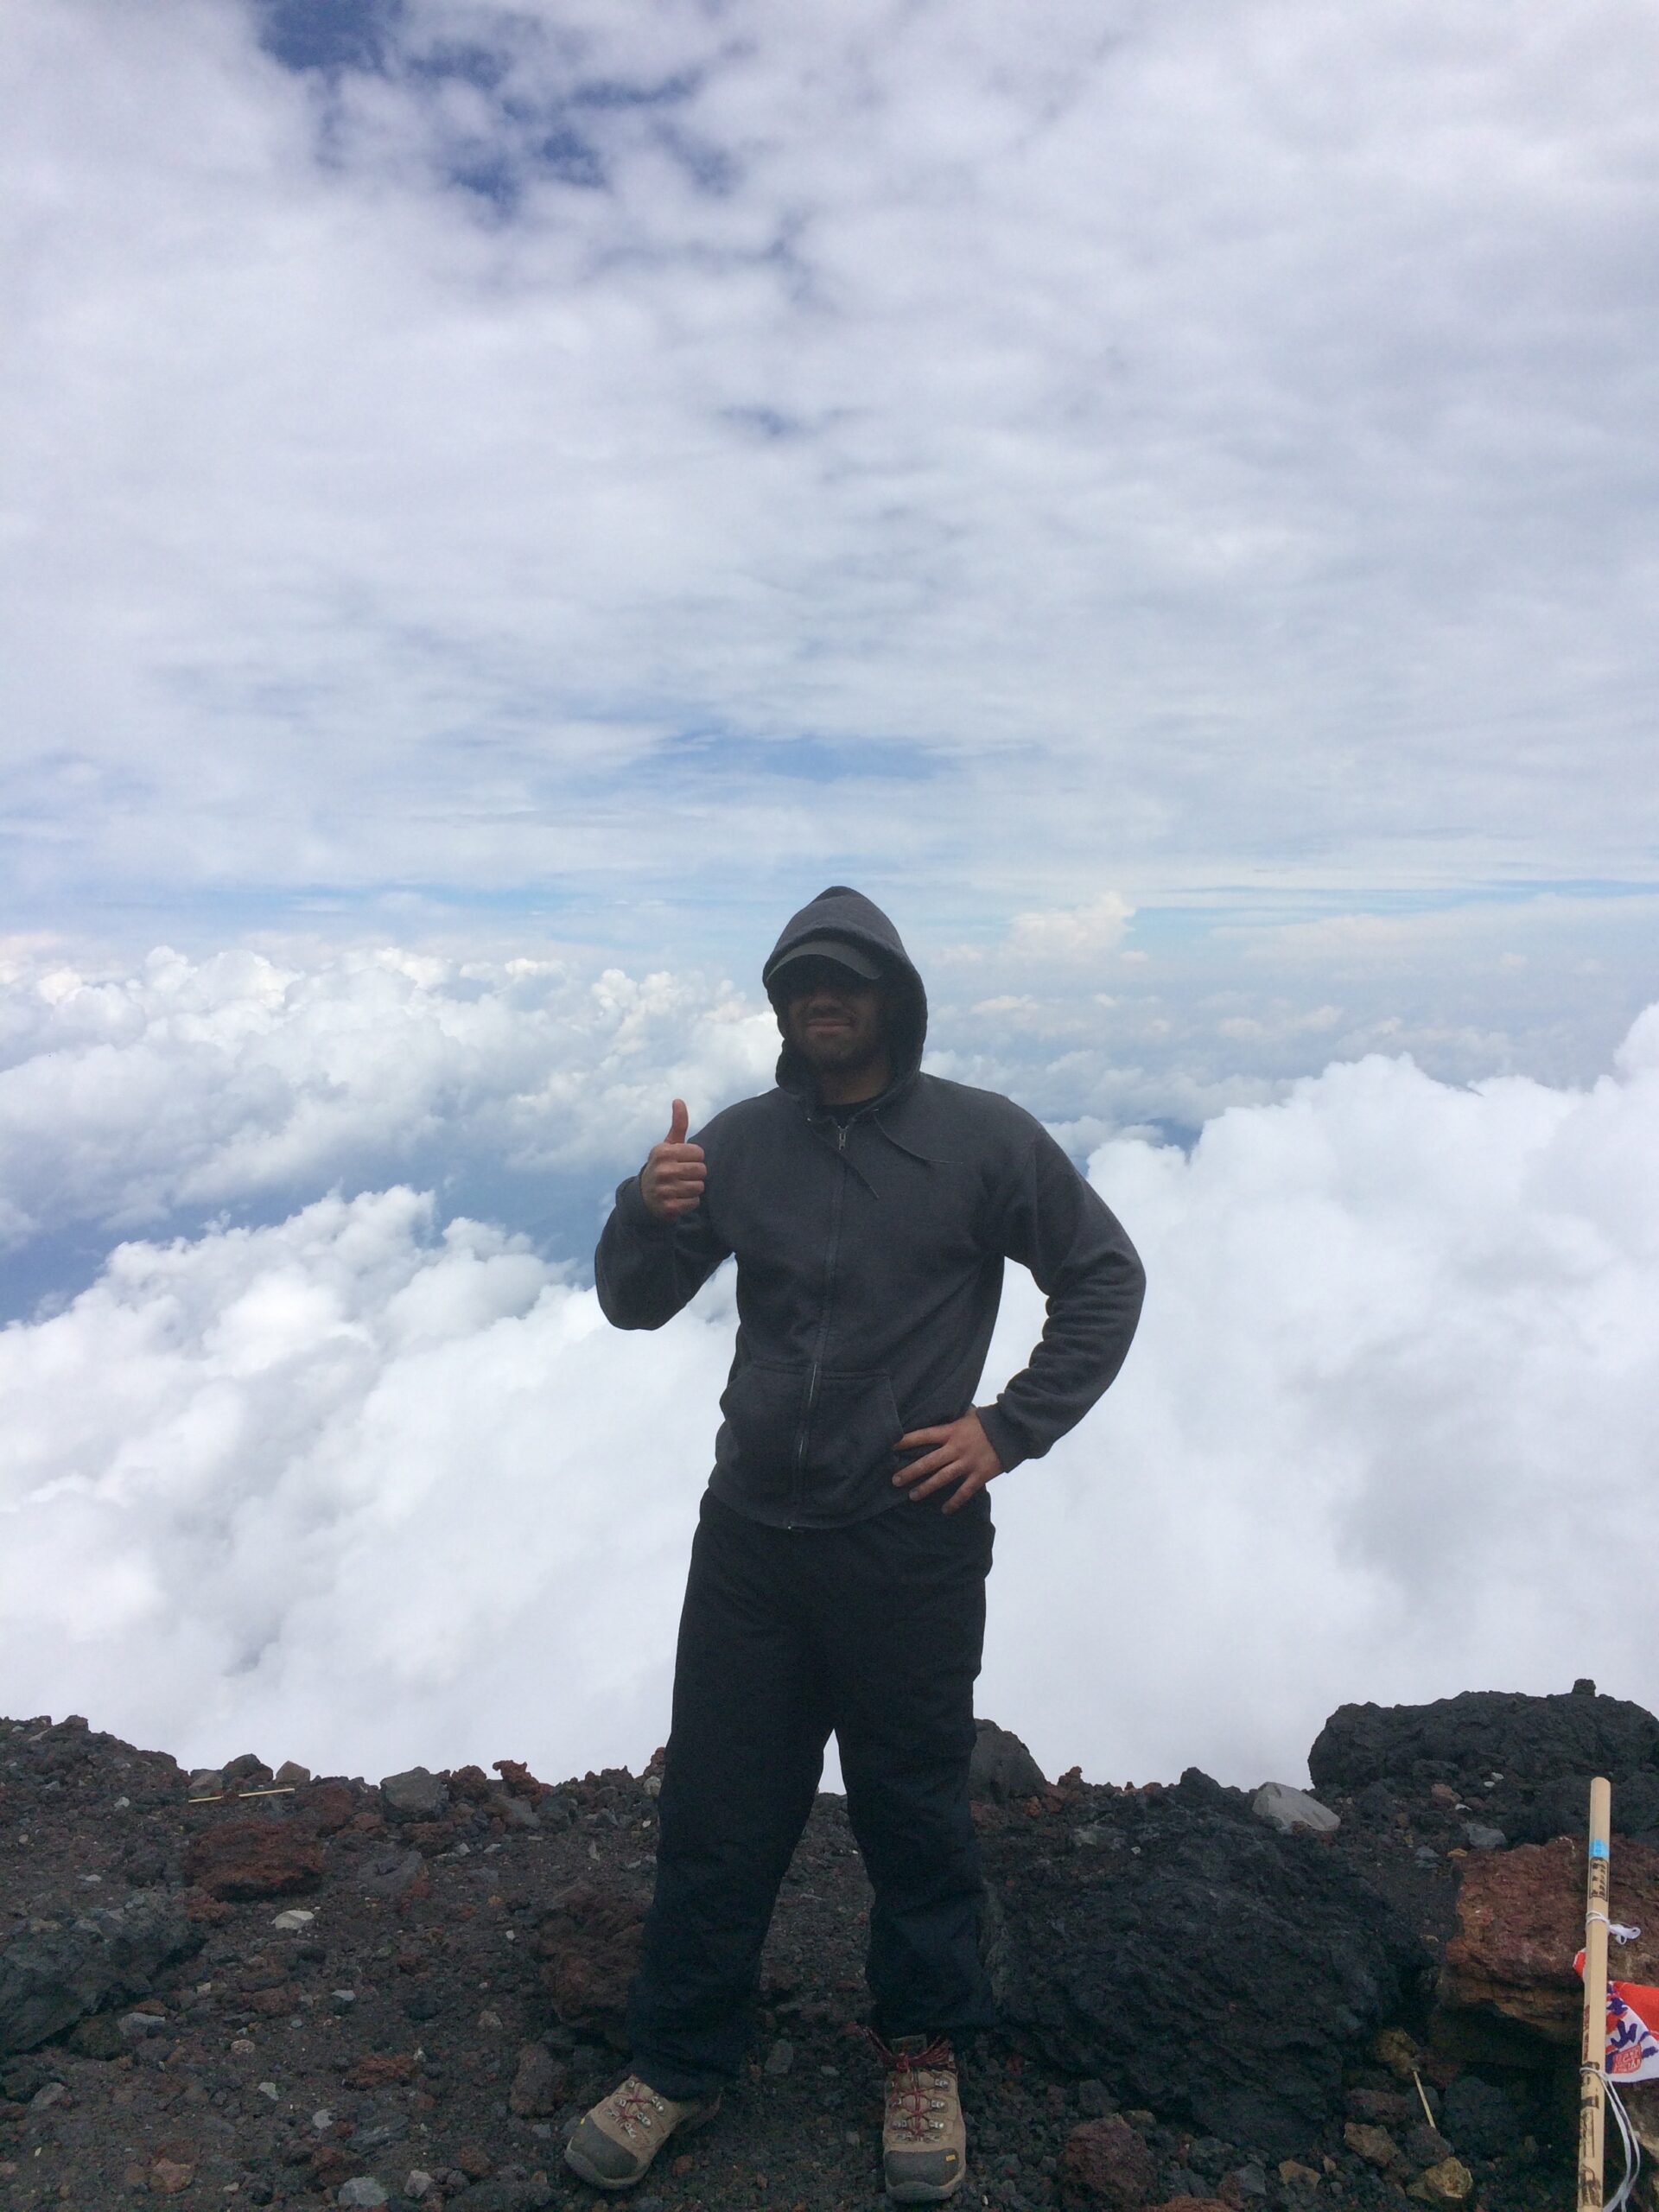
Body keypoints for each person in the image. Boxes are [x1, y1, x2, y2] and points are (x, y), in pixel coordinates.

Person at [565, 886, 1145, 2202]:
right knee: (719, 1805)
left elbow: (1105, 1275)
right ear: (780, 1007)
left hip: (910, 1540)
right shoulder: (741, 1145)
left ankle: (921, 2048)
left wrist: (1010, 1427)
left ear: (893, 998)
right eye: (798, 985)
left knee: (912, 1801)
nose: (820, 1001)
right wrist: (643, 1212)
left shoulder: (983, 1141)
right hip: (751, 1541)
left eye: (846, 982)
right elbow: (633, 1306)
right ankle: (681, 2059)